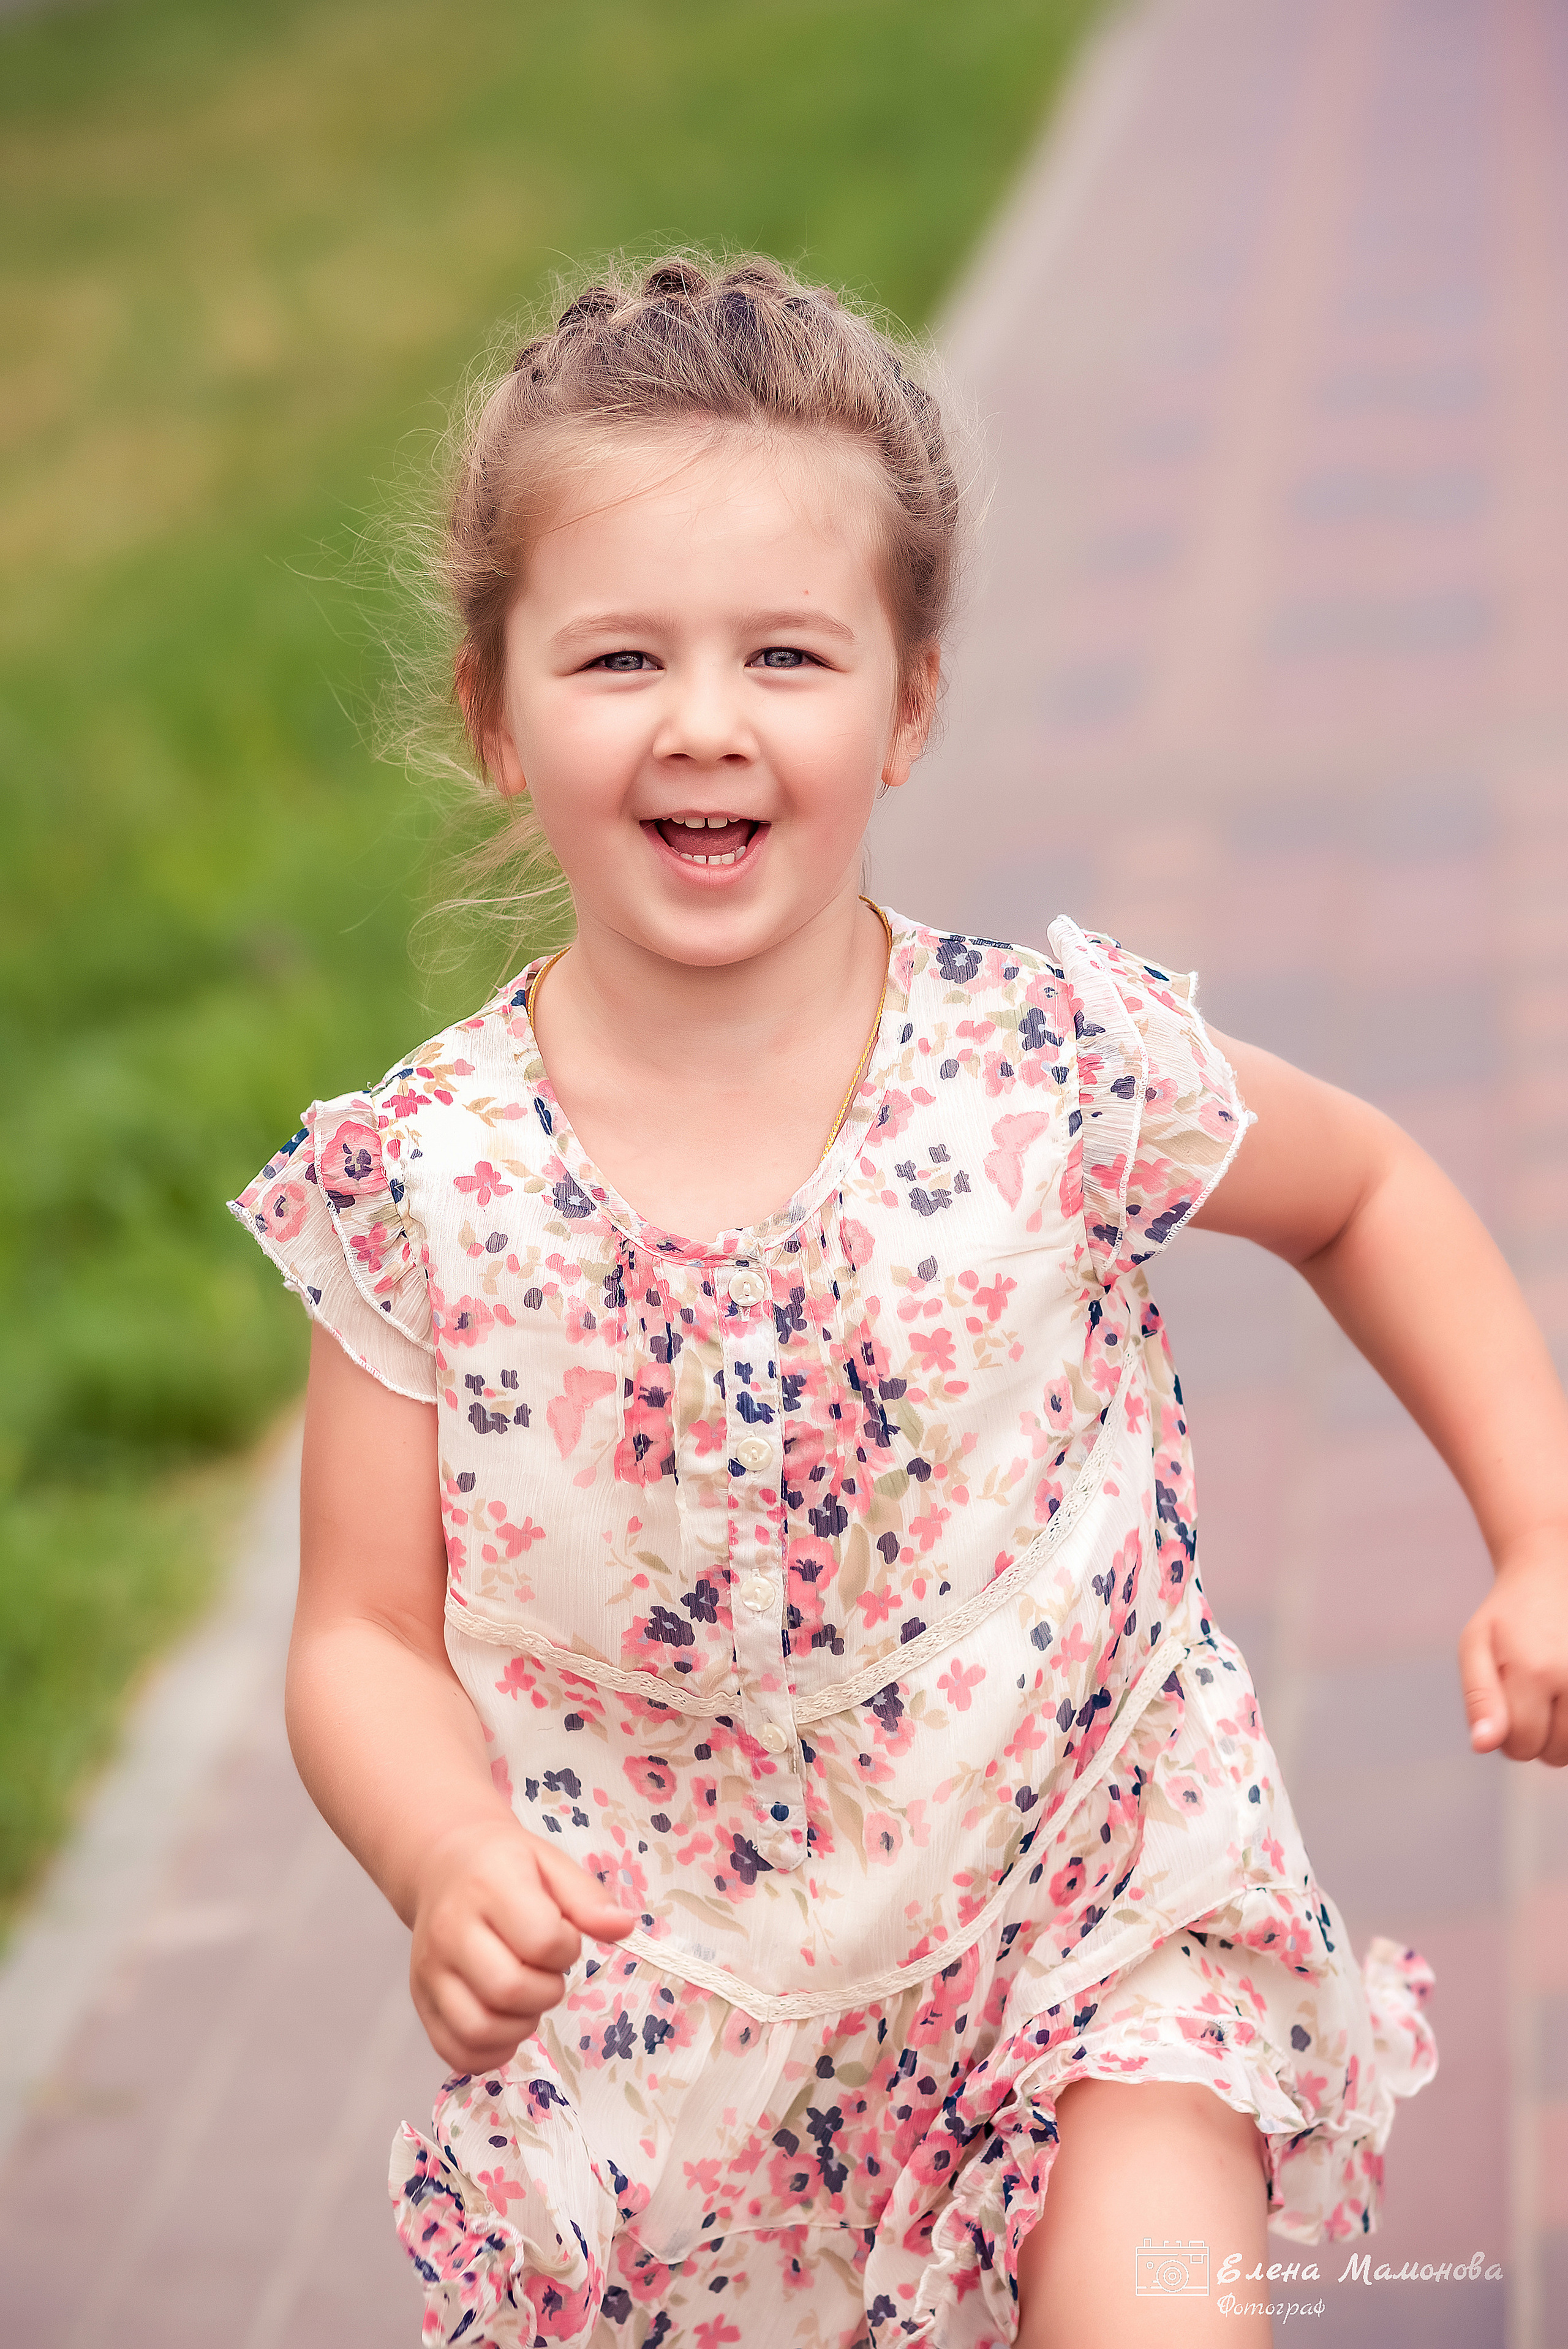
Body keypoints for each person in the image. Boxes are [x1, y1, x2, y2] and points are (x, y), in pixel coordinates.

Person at [230, 254, 1568, 2349]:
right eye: (616, 658)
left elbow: (1367, 1189)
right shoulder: (423, 1187)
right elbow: (362, 1625)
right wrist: (442, 1849)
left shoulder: (1052, 1071)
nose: (706, 721)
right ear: (495, 716)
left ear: (909, 699)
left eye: (786, 651)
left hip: (1092, 1912)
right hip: (684, 2040)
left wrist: (1541, 1521)